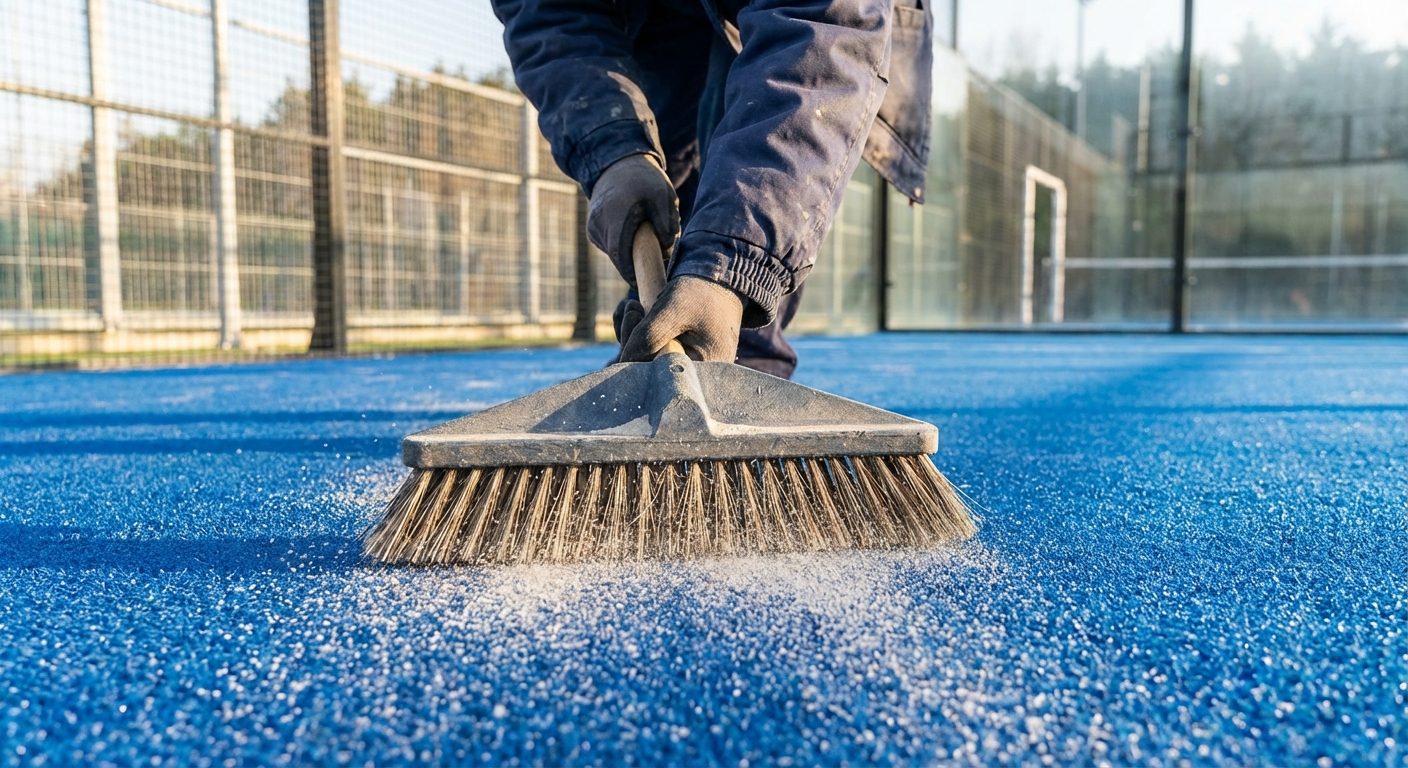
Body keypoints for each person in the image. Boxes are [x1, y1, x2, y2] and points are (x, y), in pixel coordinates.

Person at [492, 0, 935, 379]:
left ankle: (742, 361)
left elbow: (823, 28)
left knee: (728, 275)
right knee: (670, 267)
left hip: (809, 24)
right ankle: (657, 364)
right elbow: (550, 16)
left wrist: (731, 268)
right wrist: (613, 151)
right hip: (658, 18)